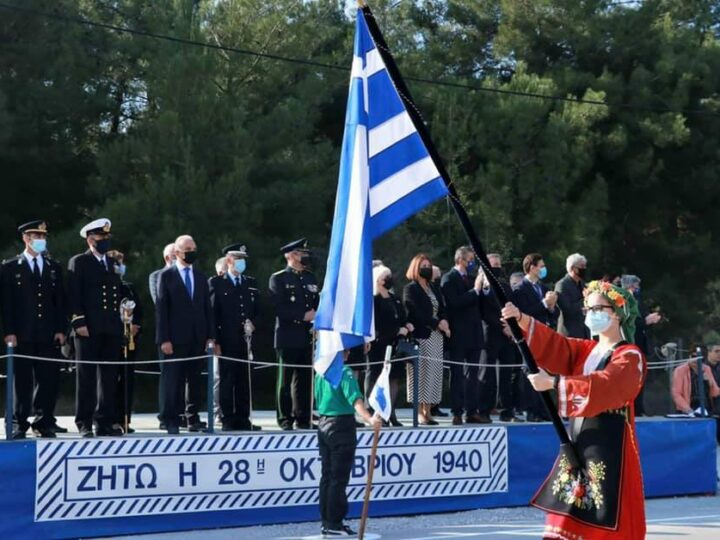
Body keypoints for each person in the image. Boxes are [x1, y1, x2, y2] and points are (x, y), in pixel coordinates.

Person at [501, 279, 646, 540]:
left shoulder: (630, 355)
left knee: (604, 517)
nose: (590, 315)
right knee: (565, 516)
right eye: (587, 310)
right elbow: (558, 346)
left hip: (611, 446)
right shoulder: (588, 350)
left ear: (616, 313)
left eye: (597, 309)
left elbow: (610, 385)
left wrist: (554, 384)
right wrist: (521, 319)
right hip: (579, 444)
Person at [1, 221, 66, 439]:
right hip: (21, 333)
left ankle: (44, 420)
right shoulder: (10, 267)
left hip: (47, 333)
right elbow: (7, 304)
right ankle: (19, 422)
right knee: (22, 381)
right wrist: (9, 331)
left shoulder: (53, 267)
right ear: (25, 238)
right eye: (35, 235)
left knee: (48, 379)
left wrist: (60, 329)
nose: (40, 239)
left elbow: (59, 301)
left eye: (42, 235)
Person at [68, 218, 124, 437]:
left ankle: (104, 421)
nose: (105, 241)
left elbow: (115, 294)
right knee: (87, 377)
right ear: (91, 239)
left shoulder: (111, 263)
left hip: (110, 327)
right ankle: (84, 421)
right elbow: (74, 294)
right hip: (88, 327)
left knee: (109, 377)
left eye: (107, 238)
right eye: (101, 238)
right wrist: (78, 321)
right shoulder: (80, 261)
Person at [316, 352, 381, 537]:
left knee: (327, 476)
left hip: (324, 422)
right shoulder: (345, 372)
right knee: (338, 477)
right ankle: (334, 523)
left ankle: (327, 521)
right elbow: (355, 399)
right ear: (343, 354)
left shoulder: (320, 372)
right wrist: (369, 419)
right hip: (341, 425)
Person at [156, 234, 215, 434]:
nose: (192, 253)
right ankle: (172, 418)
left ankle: (193, 418)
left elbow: (207, 307)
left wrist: (210, 335)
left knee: (195, 380)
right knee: (173, 380)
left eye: (194, 248)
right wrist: (164, 338)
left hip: (197, 337)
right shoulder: (167, 276)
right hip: (174, 338)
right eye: (188, 250)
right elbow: (162, 309)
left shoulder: (199, 276)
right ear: (178, 253)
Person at [209, 243, 261, 431]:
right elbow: (213, 314)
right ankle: (227, 417)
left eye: (243, 260)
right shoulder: (217, 283)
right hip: (226, 339)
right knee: (227, 380)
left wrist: (253, 323)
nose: (242, 263)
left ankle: (243, 417)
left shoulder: (250, 283)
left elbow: (257, 310)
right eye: (239, 260)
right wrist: (215, 340)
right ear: (229, 260)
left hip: (245, 340)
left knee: (244, 380)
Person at [269, 238, 320, 430]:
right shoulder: (279, 278)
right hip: (287, 335)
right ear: (289, 255)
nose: (303, 256)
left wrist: (316, 321)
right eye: (299, 253)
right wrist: (302, 315)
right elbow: (277, 307)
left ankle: (304, 417)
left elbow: (317, 303)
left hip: (307, 335)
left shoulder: (310, 277)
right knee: (285, 379)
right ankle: (285, 418)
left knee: (305, 379)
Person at [441, 247, 490, 425]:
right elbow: (454, 303)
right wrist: (475, 291)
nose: (472, 263)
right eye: (470, 259)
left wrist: (483, 290)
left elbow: (480, 303)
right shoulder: (449, 278)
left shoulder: (471, 279)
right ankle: (457, 411)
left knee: (473, 375)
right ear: (461, 260)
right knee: (457, 375)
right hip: (458, 334)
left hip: (475, 333)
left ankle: (472, 411)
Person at [403, 253, 450, 425]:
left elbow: (442, 307)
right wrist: (437, 322)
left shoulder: (434, 288)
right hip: (423, 335)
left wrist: (444, 320)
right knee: (421, 374)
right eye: (423, 265)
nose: (427, 268)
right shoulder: (411, 289)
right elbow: (415, 312)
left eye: (428, 265)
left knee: (435, 374)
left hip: (437, 337)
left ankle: (429, 410)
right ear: (416, 268)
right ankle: (420, 412)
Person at [365, 264, 413, 427]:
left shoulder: (395, 299)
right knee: (376, 377)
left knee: (394, 378)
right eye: (386, 276)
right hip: (379, 345)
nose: (389, 279)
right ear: (378, 280)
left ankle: (390, 413)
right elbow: (376, 324)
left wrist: (406, 325)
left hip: (396, 345)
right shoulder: (373, 300)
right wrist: (395, 330)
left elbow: (401, 317)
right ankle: (375, 412)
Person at [512, 253, 558, 422]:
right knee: (531, 371)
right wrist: (544, 304)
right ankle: (531, 410)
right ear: (532, 267)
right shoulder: (519, 289)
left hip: (544, 334)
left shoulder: (543, 288)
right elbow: (524, 312)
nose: (543, 269)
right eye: (541, 266)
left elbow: (553, 313)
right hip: (529, 335)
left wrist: (551, 307)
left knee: (544, 370)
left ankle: (544, 409)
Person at [482, 254, 523, 422]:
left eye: (499, 264)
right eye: (494, 264)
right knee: (488, 375)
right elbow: (484, 311)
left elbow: (512, 307)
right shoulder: (483, 288)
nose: (497, 267)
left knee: (506, 375)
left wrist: (510, 328)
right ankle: (485, 410)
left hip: (507, 336)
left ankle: (507, 410)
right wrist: (501, 326)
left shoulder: (506, 287)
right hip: (490, 334)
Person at [107, 250, 143, 434]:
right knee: (110, 380)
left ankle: (125, 418)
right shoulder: (106, 287)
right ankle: (110, 418)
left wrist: (135, 325)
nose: (119, 266)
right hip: (111, 339)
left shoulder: (128, 287)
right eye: (115, 262)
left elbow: (140, 310)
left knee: (127, 380)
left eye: (121, 262)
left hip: (130, 340)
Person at [620, 274, 662, 416]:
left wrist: (650, 321)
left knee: (640, 378)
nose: (637, 289)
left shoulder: (638, 301)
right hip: (630, 344)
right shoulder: (621, 301)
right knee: (629, 379)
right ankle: (630, 409)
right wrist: (645, 321)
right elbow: (628, 322)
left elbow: (642, 322)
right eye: (635, 287)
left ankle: (639, 409)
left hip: (641, 344)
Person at [149, 242, 175, 429]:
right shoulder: (157, 276)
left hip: (188, 335)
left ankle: (184, 415)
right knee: (168, 377)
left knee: (187, 378)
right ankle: (166, 416)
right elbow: (158, 303)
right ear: (168, 257)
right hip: (168, 334)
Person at [555, 253, 590, 338]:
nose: (584, 269)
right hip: (570, 334)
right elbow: (567, 309)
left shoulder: (582, 283)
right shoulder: (562, 285)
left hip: (584, 332)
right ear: (572, 268)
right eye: (582, 266)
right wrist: (586, 299)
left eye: (585, 266)